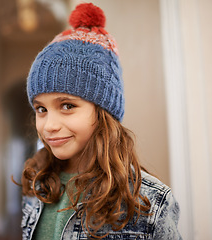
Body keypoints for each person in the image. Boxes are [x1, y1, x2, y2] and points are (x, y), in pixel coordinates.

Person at [20, 3, 182, 240]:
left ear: (103, 112)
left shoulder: (150, 203)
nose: (49, 125)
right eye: (41, 109)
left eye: (67, 106)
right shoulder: (37, 186)